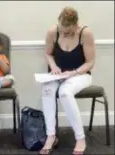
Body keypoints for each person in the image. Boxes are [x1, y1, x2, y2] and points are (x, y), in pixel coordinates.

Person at [39, 7, 95, 155]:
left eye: (67, 31)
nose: (63, 33)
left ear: (75, 25)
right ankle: (51, 136)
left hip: (80, 74)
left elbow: (90, 62)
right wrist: (53, 66)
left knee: (64, 92)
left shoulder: (85, 33)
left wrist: (74, 73)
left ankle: (80, 138)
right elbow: (48, 53)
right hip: (58, 74)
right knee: (47, 89)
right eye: (61, 30)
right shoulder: (53, 31)